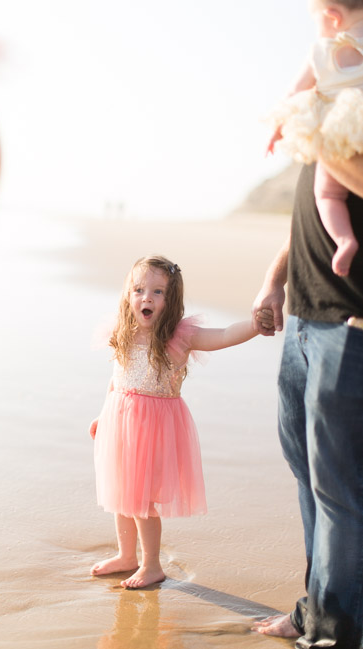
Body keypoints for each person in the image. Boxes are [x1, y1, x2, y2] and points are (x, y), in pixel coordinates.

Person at [89, 255, 271, 589]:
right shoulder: (123, 332)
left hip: (154, 429)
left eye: (157, 292)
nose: (146, 298)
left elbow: (225, 334)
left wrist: (256, 325)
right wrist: (103, 414)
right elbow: (116, 378)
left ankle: (151, 564)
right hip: (120, 423)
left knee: (143, 501)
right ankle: (126, 556)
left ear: (170, 301)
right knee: (122, 495)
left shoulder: (179, 337)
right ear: (128, 294)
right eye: (139, 289)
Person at [251, 157, 363, 648]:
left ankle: (333, 632)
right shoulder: (333, 102)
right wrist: (276, 280)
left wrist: (336, 149)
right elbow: (311, 209)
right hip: (303, 315)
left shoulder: (347, 119)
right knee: (307, 473)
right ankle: (314, 609)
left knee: (339, 487)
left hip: (350, 325)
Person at [267, 0, 363, 277]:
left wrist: (276, 129)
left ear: (332, 17)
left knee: (328, 193)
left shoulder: (322, 51)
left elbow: (293, 95)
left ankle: (344, 239)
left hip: (338, 132)